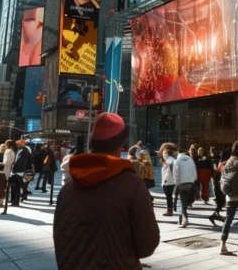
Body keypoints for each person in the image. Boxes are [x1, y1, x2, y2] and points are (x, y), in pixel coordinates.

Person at [54, 113, 160, 269]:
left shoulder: (67, 190)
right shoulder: (132, 185)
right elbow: (147, 245)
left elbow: (60, 239)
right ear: (120, 145)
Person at [174, 145, 198, 227]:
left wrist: (177, 184)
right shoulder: (190, 159)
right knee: (186, 201)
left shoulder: (177, 161)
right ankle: (184, 219)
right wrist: (193, 180)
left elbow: (176, 174)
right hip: (191, 182)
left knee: (182, 203)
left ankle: (185, 220)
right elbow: (194, 171)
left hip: (182, 183)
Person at [11, 139, 33, 205]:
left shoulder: (23, 151)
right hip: (20, 170)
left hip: (19, 171)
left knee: (18, 185)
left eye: (18, 144)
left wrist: (14, 168)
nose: (17, 145)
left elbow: (20, 161)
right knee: (18, 185)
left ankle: (17, 200)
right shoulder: (22, 150)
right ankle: (18, 199)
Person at [209, 151, 227, 226]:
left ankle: (214, 216)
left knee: (222, 203)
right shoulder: (225, 163)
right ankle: (218, 217)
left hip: (219, 185)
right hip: (220, 185)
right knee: (223, 202)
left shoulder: (223, 163)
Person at [160, 143, 178, 216]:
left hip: (169, 180)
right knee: (168, 195)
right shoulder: (170, 160)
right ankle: (170, 209)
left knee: (168, 195)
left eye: (164, 152)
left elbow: (172, 170)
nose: (163, 154)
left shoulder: (170, 160)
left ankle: (169, 210)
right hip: (169, 180)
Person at [0, 141, 15, 207]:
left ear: (7, 144)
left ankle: (1, 203)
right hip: (7, 171)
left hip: (2, 171)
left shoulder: (7, 151)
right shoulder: (12, 151)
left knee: (1, 187)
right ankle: (1, 202)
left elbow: (5, 162)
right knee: (3, 187)